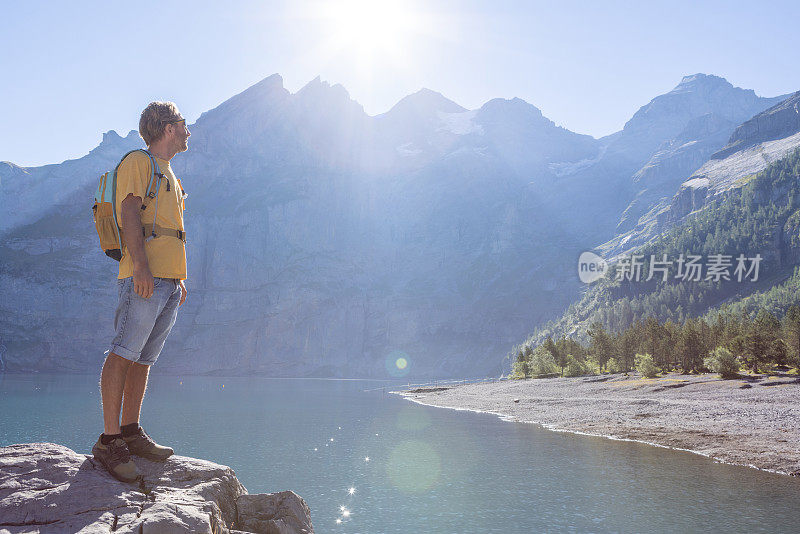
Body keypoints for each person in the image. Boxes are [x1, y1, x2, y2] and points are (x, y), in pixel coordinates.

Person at [92, 101, 190, 483]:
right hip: (144, 276)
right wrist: (142, 268)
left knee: (143, 359)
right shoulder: (139, 162)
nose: (187, 129)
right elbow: (129, 213)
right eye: (183, 123)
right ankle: (109, 440)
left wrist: (178, 278)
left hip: (168, 282)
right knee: (123, 352)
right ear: (167, 127)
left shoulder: (170, 173)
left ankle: (131, 431)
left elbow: (168, 228)